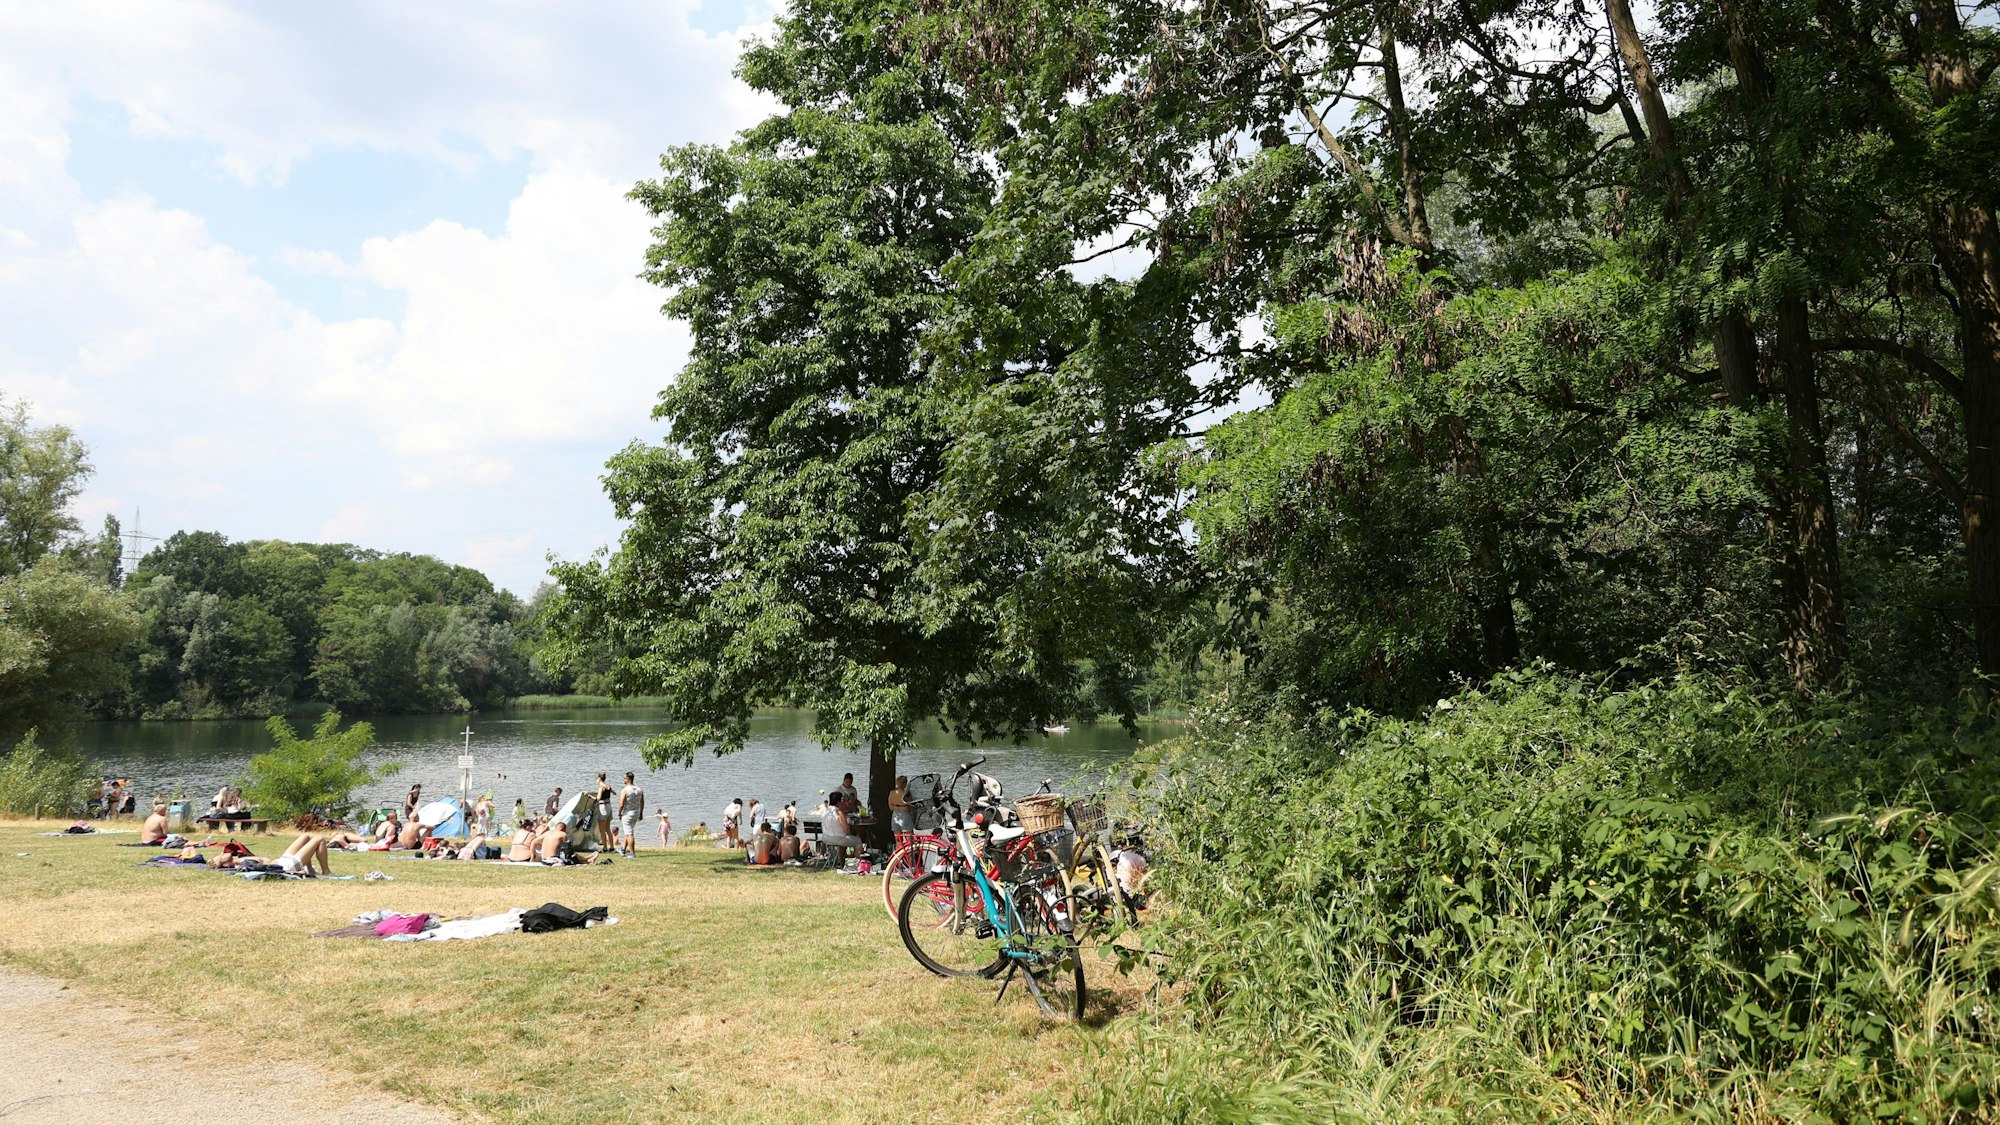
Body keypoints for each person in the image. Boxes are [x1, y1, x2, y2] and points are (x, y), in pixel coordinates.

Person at [818, 792, 863, 864]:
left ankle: (841, 861)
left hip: (825, 838)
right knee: (858, 841)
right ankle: (859, 862)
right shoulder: (839, 812)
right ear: (839, 801)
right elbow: (847, 830)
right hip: (837, 838)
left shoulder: (825, 811)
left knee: (844, 841)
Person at [616, 772, 645, 858]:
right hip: (636, 812)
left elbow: (621, 804)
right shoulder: (639, 789)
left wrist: (619, 813)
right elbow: (642, 802)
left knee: (629, 834)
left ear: (628, 779)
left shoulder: (625, 790)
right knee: (628, 831)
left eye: (624, 778)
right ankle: (623, 849)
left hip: (628, 813)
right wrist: (641, 813)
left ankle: (632, 853)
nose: (623, 780)